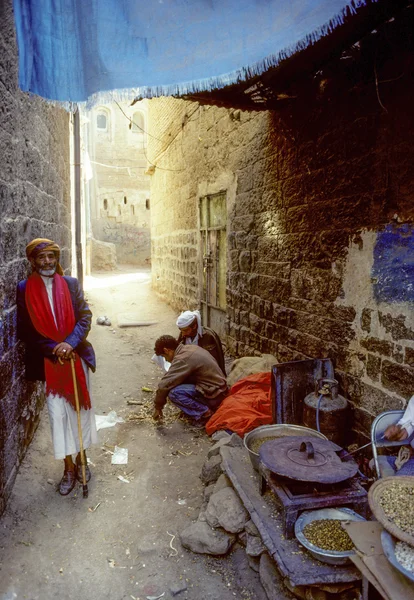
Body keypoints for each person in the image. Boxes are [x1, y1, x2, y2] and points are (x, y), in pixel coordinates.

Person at [16, 238, 97, 496]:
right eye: (42, 257)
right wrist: (54, 348)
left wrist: (70, 343)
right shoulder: (24, 288)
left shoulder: (71, 284)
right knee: (58, 417)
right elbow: (26, 331)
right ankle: (68, 468)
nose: (48, 261)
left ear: (56, 258)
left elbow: (85, 317)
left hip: (75, 360)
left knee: (79, 412)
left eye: (52, 256)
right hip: (50, 364)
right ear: (33, 261)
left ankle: (83, 461)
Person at [152, 335, 228, 426]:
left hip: (215, 394)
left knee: (173, 393)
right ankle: (201, 410)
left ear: (166, 350)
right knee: (177, 383)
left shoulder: (182, 358)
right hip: (219, 388)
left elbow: (165, 384)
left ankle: (205, 413)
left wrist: (158, 407)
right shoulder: (189, 348)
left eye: (164, 357)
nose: (166, 360)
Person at [176, 310, 226, 376]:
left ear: (194, 326)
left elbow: (218, 358)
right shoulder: (183, 336)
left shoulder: (209, 336)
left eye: (185, 330)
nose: (183, 334)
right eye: (181, 331)